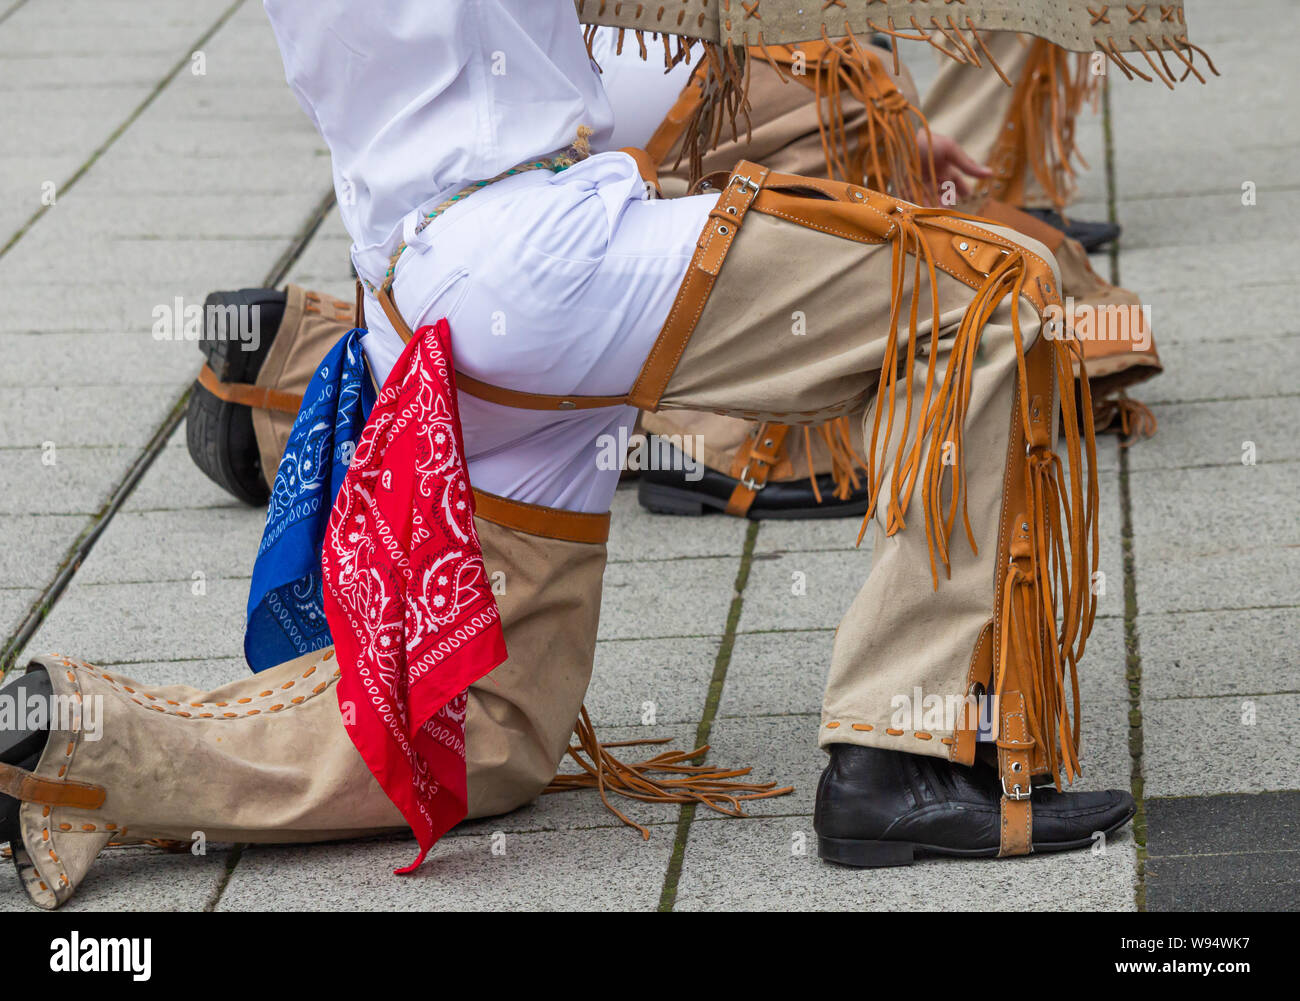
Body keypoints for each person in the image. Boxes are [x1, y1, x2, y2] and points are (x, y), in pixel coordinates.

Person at [2, 0, 1166, 909]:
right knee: (986, 299)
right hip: (544, 255)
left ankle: (84, 740)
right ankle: (903, 755)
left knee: (485, 737)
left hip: (422, 292)